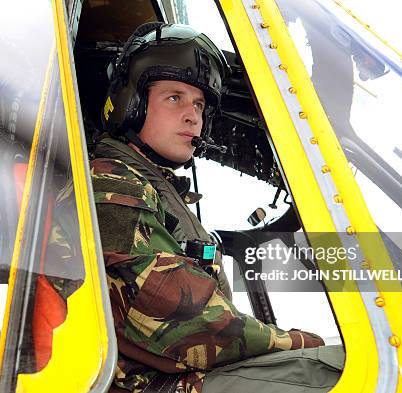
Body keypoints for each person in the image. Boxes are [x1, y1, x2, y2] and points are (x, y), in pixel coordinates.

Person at [87, 22, 343, 393]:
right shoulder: (112, 183)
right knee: (331, 372)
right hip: (144, 386)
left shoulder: (153, 187)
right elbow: (174, 317)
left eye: (199, 104)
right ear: (133, 102)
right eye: (174, 97)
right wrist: (295, 343)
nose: (193, 116)